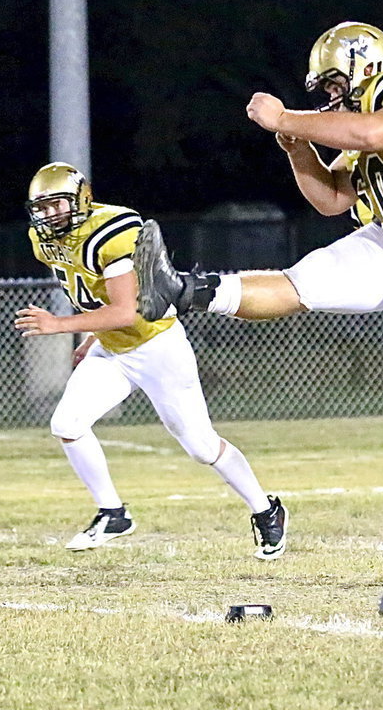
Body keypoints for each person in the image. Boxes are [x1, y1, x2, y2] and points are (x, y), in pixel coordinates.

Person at [135, 21, 383, 614]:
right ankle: (183, 290)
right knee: (302, 282)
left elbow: (372, 130)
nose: (330, 96)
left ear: (365, 63)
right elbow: (332, 198)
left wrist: (287, 119)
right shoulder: (354, 122)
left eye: (335, 82)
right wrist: (297, 147)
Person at [15, 162, 287, 559]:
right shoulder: (45, 241)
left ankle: (266, 510)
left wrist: (60, 324)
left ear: (82, 199)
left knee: (201, 446)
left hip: (157, 346)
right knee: (67, 424)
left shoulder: (111, 233)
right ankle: (113, 513)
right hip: (111, 347)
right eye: (43, 208)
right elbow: (96, 294)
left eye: (58, 205)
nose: (50, 215)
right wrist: (92, 335)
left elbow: (129, 310)